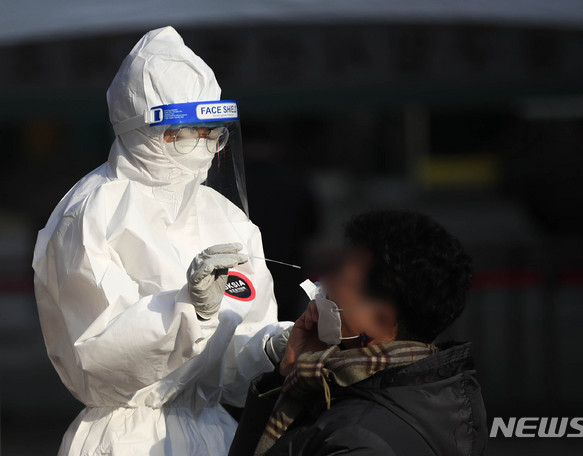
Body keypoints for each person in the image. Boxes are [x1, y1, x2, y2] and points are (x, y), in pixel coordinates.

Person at [32, 26, 291, 456]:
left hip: (214, 433)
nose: (205, 147)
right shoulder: (94, 212)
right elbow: (97, 360)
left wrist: (271, 347)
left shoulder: (224, 217)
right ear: (140, 130)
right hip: (127, 437)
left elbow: (232, 372)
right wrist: (187, 309)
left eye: (213, 132)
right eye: (186, 132)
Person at [229, 210, 488, 456]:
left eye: (340, 278)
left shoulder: (357, 439)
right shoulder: (434, 390)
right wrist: (287, 373)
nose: (324, 286)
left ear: (380, 319)